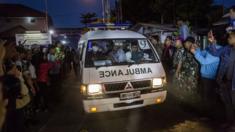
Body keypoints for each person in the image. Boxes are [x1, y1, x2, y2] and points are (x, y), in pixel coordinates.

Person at [190, 39, 220, 112]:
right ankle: (208, 111)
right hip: (205, 76)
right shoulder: (211, 48)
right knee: (205, 94)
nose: (209, 40)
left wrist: (194, 52)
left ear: (215, 39)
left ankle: (209, 113)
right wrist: (197, 49)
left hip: (210, 77)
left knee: (208, 96)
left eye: (211, 38)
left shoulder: (218, 50)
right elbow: (203, 54)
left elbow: (204, 61)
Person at [215, 30, 235, 127]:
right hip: (226, 81)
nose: (228, 39)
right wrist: (212, 43)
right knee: (227, 103)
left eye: (230, 37)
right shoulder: (228, 49)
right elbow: (216, 53)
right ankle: (230, 122)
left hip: (233, 83)